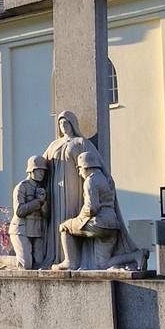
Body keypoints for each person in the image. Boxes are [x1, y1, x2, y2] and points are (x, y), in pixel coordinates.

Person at [40, 111, 100, 267]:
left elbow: (96, 163)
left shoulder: (81, 142)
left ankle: (73, 257)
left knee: (72, 215)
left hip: (74, 188)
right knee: (57, 220)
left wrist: (105, 179)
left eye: (65, 122)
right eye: (60, 123)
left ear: (73, 124)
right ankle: (58, 256)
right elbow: (42, 163)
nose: (63, 126)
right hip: (56, 188)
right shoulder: (54, 145)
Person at [54, 151, 122, 270]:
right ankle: (136, 256)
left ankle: (70, 262)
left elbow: (92, 208)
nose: (79, 173)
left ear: (86, 167)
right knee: (103, 264)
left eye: (79, 168)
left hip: (99, 224)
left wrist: (79, 218)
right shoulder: (106, 179)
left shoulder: (90, 181)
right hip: (112, 225)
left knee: (64, 227)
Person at [9, 155, 48, 268]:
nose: (42, 174)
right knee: (26, 263)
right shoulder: (22, 187)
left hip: (36, 230)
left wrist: (44, 202)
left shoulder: (42, 188)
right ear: (31, 170)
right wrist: (37, 202)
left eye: (43, 171)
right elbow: (19, 211)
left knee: (40, 263)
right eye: (39, 170)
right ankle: (1, 259)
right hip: (21, 229)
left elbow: (46, 214)